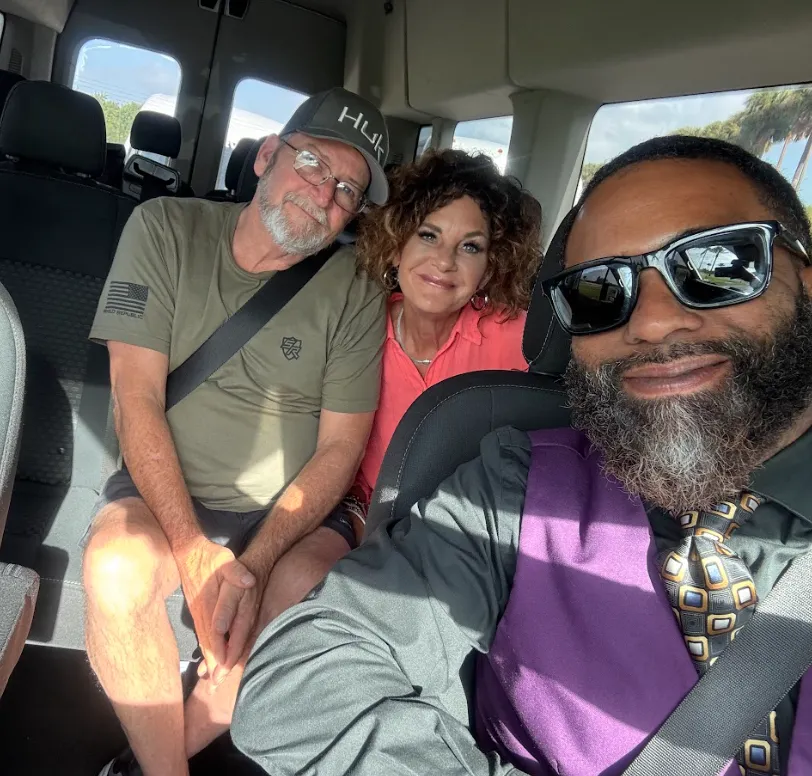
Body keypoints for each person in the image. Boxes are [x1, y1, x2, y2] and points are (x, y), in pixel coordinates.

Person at [231, 135, 812, 776]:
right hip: (360, 510)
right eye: (599, 290)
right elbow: (301, 684)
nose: (651, 321)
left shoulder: (505, 353)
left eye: (716, 265)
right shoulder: (509, 482)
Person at [83, 87, 390, 776]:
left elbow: (341, 447)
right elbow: (136, 400)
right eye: (313, 164)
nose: (325, 195)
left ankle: (146, 764)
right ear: (266, 156)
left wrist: (258, 560)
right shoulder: (164, 229)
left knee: (302, 596)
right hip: (165, 495)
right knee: (114, 567)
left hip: (286, 517)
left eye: (347, 189)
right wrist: (192, 550)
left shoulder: (356, 289)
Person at [347, 149, 541, 514]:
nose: (444, 261)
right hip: (361, 514)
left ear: (488, 269)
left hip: (461, 529)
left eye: (470, 246)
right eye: (428, 235)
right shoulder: (356, 329)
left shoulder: (521, 338)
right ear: (396, 248)